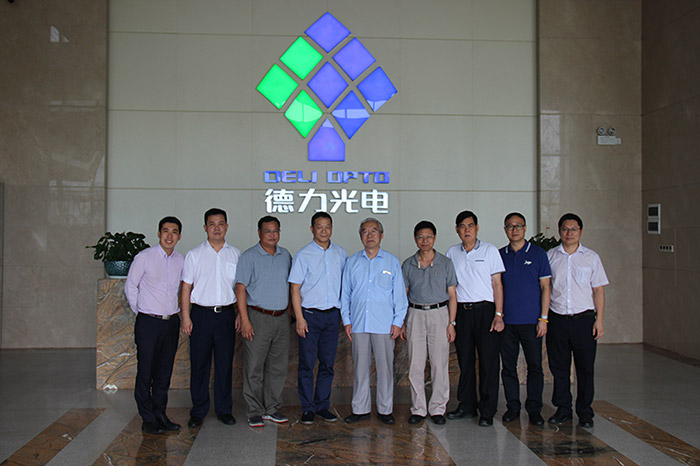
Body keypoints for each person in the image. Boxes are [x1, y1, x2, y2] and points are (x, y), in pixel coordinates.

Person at [341, 218, 408, 425]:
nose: (369, 235)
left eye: (374, 231)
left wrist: (398, 322)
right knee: (360, 368)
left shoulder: (392, 262)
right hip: (359, 323)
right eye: (365, 231)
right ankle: (360, 409)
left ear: (381, 235)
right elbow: (345, 295)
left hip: (384, 325)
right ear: (360, 236)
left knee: (385, 368)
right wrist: (347, 321)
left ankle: (385, 409)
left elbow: (400, 296)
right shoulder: (352, 262)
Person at [180, 208, 241, 428]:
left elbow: (240, 289)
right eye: (212, 224)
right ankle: (198, 411)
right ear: (205, 228)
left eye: (221, 223)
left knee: (225, 365)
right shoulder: (194, 255)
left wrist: (239, 315)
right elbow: (186, 288)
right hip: (201, 315)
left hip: (226, 315)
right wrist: (185, 317)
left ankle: (224, 410)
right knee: (199, 365)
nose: (217, 228)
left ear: (227, 227)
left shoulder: (236, 255)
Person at [547, 213, 608, 428]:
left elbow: (598, 290)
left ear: (580, 231)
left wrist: (599, 320)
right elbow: (545, 288)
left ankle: (585, 411)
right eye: (565, 229)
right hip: (557, 319)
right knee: (559, 367)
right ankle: (563, 408)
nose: (569, 233)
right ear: (559, 231)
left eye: (574, 229)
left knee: (585, 368)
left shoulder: (591, 257)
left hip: (584, 320)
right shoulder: (550, 256)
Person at [125, 216, 184, 435]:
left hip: (171, 322)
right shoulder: (145, 257)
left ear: (179, 236)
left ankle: (160, 413)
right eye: (166, 231)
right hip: (148, 322)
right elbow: (130, 287)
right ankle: (147, 417)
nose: (170, 236)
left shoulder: (181, 260)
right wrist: (142, 312)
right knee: (146, 371)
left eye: (174, 232)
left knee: (164, 372)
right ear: (159, 234)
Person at [445, 210, 505, 426]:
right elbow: (450, 288)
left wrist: (498, 315)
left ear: (477, 228)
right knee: (465, 361)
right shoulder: (452, 253)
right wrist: (451, 321)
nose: (467, 230)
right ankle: (467, 405)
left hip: (486, 311)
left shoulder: (489, 250)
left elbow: (497, 284)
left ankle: (487, 411)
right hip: (462, 312)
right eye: (462, 226)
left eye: (470, 225)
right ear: (457, 230)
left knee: (488, 362)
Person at [288, 212, 347, 425]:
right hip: (310, 317)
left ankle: (322, 406)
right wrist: (299, 318)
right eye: (319, 226)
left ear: (332, 228)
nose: (324, 230)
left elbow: (346, 287)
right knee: (307, 364)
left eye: (327, 226)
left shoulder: (340, 253)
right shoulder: (303, 255)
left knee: (327, 364)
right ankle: (307, 408)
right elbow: (295, 288)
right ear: (312, 229)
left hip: (332, 316)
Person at [235, 216, 292, 428]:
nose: (272, 235)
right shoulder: (249, 256)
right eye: (268, 231)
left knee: (278, 367)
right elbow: (240, 288)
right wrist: (245, 319)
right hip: (257, 317)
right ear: (259, 233)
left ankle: (272, 408)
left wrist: (290, 315)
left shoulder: (285, 256)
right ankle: (254, 410)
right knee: (254, 366)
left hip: (281, 319)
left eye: (276, 231)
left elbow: (291, 287)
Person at [400, 220, 457, 426]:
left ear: (435, 238)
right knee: (415, 364)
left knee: (439, 363)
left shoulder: (445, 263)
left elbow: (453, 295)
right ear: (415, 239)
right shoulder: (408, 264)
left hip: (439, 313)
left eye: (429, 237)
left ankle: (438, 408)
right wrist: (402, 321)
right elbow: (403, 296)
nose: (425, 240)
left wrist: (451, 323)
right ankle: (418, 408)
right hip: (415, 313)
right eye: (421, 237)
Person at [498, 212, 551, 426]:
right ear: (505, 230)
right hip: (506, 322)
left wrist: (543, 318)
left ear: (525, 228)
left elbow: (545, 287)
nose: (514, 230)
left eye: (518, 226)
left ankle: (534, 409)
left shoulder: (538, 254)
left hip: (532, 322)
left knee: (535, 367)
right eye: (510, 226)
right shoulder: (500, 255)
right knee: (508, 367)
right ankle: (513, 407)